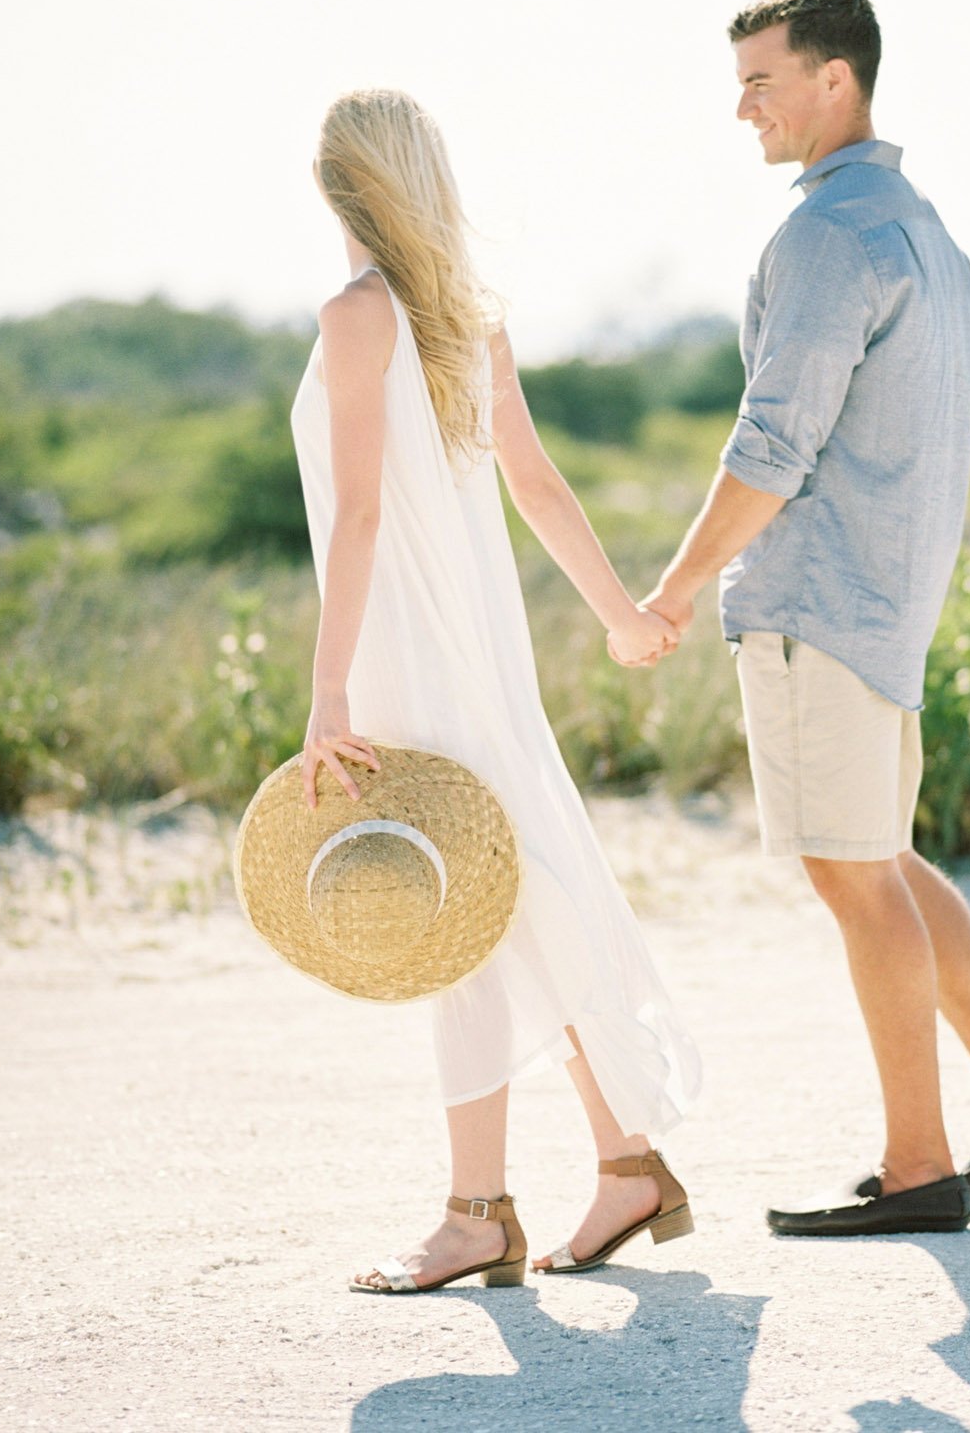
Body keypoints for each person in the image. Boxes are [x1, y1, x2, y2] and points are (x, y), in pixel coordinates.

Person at [629, 0, 970, 1234]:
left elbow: (769, 447)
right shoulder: (923, 232)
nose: (742, 113)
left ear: (836, 79)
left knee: (854, 876)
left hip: (819, 608)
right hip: (887, 611)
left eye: (760, 84)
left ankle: (914, 1166)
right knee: (880, 861)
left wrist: (671, 591)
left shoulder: (829, 237)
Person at [292, 88, 701, 1292]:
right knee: (504, 903)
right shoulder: (468, 320)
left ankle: (487, 1211)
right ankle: (618, 1163)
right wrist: (620, 614)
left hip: (408, 656)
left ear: (335, 187)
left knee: (462, 910)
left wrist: (327, 692)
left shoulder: (357, 317)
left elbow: (361, 512)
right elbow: (536, 483)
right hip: (476, 655)